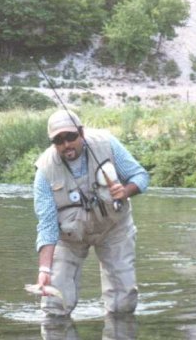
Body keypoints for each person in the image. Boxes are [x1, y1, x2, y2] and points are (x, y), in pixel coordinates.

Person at [33, 109, 149, 317]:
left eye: (70, 136)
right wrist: (44, 270)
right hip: (69, 238)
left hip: (115, 229)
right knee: (54, 304)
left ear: (81, 132)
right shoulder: (44, 171)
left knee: (123, 305)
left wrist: (125, 191)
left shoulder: (107, 144)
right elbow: (47, 225)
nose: (66, 144)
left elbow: (140, 176)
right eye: (59, 140)